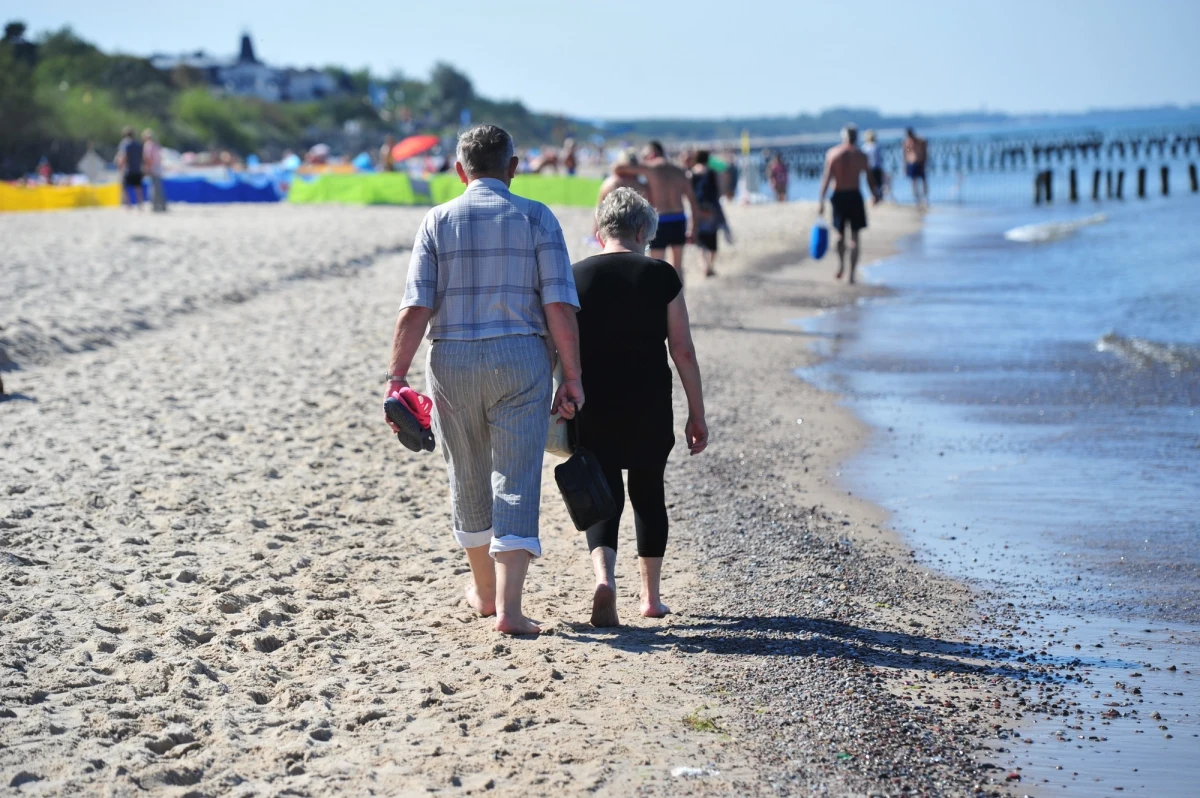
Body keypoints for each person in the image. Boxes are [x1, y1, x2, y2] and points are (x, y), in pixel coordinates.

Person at [385, 124, 584, 636]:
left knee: (467, 472)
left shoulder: (438, 220)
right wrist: (573, 374)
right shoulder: (537, 217)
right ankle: (510, 611)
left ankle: (483, 593)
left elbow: (416, 308)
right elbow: (558, 304)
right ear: (513, 167)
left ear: (459, 170)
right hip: (521, 356)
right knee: (516, 477)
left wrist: (395, 377)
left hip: (451, 359)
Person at [572, 188, 709, 626]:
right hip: (648, 403)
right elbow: (682, 351)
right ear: (640, 230)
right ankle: (650, 598)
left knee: (602, 491)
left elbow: (559, 348)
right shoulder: (661, 275)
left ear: (600, 231)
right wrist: (697, 412)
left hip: (593, 403)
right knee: (649, 495)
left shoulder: (574, 277)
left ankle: (604, 579)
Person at [614, 141, 700, 286]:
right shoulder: (680, 171)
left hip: (660, 220)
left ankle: (660, 304)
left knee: (656, 266)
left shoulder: (650, 167)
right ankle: (679, 303)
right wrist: (693, 228)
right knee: (677, 266)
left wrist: (638, 164)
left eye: (646, 154)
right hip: (679, 219)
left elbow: (618, 168)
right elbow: (693, 202)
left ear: (653, 153)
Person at [818, 124, 875, 285]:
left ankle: (841, 264)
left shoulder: (833, 154)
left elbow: (826, 179)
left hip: (838, 196)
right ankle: (851, 275)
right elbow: (869, 177)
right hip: (854, 195)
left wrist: (821, 200)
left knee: (840, 235)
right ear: (856, 137)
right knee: (855, 237)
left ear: (843, 137)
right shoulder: (861, 155)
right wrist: (874, 194)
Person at [595, 149, 652, 238]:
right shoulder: (642, 185)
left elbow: (599, 210)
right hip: (636, 232)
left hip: (612, 229)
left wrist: (595, 231)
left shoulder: (610, 183)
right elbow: (648, 211)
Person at [689, 150, 723, 277]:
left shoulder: (691, 173)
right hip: (711, 209)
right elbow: (718, 191)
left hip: (697, 209)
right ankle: (710, 265)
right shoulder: (711, 172)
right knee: (712, 239)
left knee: (701, 240)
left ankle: (704, 266)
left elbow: (690, 193)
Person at [115, 127, 144, 208]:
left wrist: (120, 165)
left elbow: (123, 156)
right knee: (138, 187)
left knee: (124, 187)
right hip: (137, 169)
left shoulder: (125, 144)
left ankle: (128, 204)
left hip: (128, 169)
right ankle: (140, 204)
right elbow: (142, 157)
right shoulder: (138, 144)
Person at [142, 129, 167, 212]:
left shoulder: (148, 145)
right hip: (158, 168)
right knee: (158, 187)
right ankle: (162, 205)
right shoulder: (156, 145)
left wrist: (147, 168)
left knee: (153, 188)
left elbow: (148, 158)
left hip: (153, 168)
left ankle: (155, 206)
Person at [903, 127, 929, 208]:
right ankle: (916, 197)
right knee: (913, 180)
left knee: (923, 180)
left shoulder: (920, 141)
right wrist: (905, 164)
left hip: (919, 162)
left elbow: (924, 150)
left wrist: (925, 161)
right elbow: (906, 152)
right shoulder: (907, 142)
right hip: (911, 162)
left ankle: (924, 197)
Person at [862, 129, 886, 204]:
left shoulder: (865, 147)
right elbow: (880, 158)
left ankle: (873, 197)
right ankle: (879, 198)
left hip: (868, 168)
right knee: (879, 184)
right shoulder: (877, 146)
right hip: (877, 167)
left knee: (870, 183)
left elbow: (863, 159)